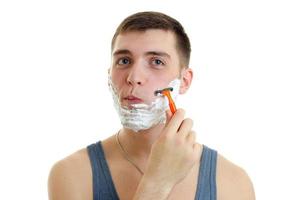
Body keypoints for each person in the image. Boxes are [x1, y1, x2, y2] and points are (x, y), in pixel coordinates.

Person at [48, 11, 255, 200]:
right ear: (108, 75)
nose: (134, 77)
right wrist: (157, 182)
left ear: (184, 81)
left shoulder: (232, 183)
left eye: (156, 62)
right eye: (124, 61)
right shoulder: (72, 174)